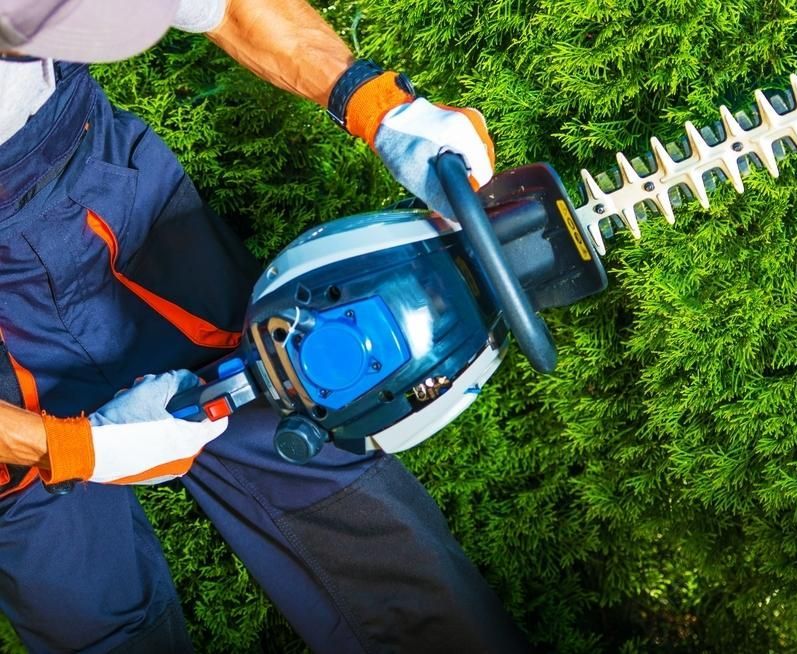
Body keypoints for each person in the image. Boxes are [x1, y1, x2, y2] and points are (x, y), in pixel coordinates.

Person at [0, 0, 527, 651]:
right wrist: (72, 448)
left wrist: (380, 106)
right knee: (83, 606)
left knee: (304, 433)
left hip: (101, 180)